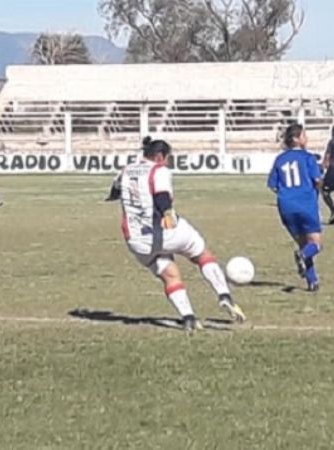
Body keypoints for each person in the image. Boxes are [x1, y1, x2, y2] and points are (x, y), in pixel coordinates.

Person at [118, 137, 245, 333]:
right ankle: (224, 295)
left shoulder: (126, 170)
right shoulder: (159, 170)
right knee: (202, 255)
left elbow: (114, 191)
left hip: (136, 240)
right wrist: (167, 212)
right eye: (167, 158)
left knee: (170, 276)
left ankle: (188, 318)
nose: (168, 162)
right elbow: (161, 195)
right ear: (160, 156)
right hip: (164, 231)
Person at [268, 124, 323, 291]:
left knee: (303, 244)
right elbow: (317, 180)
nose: (306, 138)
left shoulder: (280, 159)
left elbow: (272, 185)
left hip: (286, 206)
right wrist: (316, 192)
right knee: (315, 244)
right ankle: (304, 257)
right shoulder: (308, 158)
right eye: (304, 135)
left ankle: (312, 281)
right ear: (296, 139)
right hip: (306, 204)